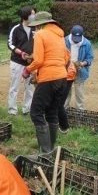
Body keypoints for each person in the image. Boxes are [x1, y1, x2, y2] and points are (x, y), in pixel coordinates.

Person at [23, 11, 69, 154]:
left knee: (36, 113)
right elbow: (67, 57)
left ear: (40, 25)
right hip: (62, 77)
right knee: (52, 112)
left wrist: (27, 70)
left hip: (48, 78)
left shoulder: (41, 35)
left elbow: (38, 60)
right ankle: (51, 148)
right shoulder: (60, 36)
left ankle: (46, 151)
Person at [7, 6, 36, 116]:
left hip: (31, 63)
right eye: (32, 14)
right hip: (17, 62)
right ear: (25, 16)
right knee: (14, 87)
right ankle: (12, 110)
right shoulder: (16, 29)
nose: (34, 16)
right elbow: (10, 44)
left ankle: (27, 110)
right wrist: (22, 53)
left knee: (29, 88)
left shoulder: (36, 29)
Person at [64, 25, 94, 110]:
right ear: (71, 34)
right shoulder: (65, 41)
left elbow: (90, 58)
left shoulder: (86, 43)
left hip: (80, 70)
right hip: (67, 70)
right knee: (66, 91)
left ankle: (80, 111)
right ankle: (64, 109)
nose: (76, 41)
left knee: (79, 92)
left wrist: (81, 64)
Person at [58, 60, 77, 134]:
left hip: (66, 75)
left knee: (59, 104)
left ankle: (64, 127)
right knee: (57, 103)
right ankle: (59, 125)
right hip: (66, 73)